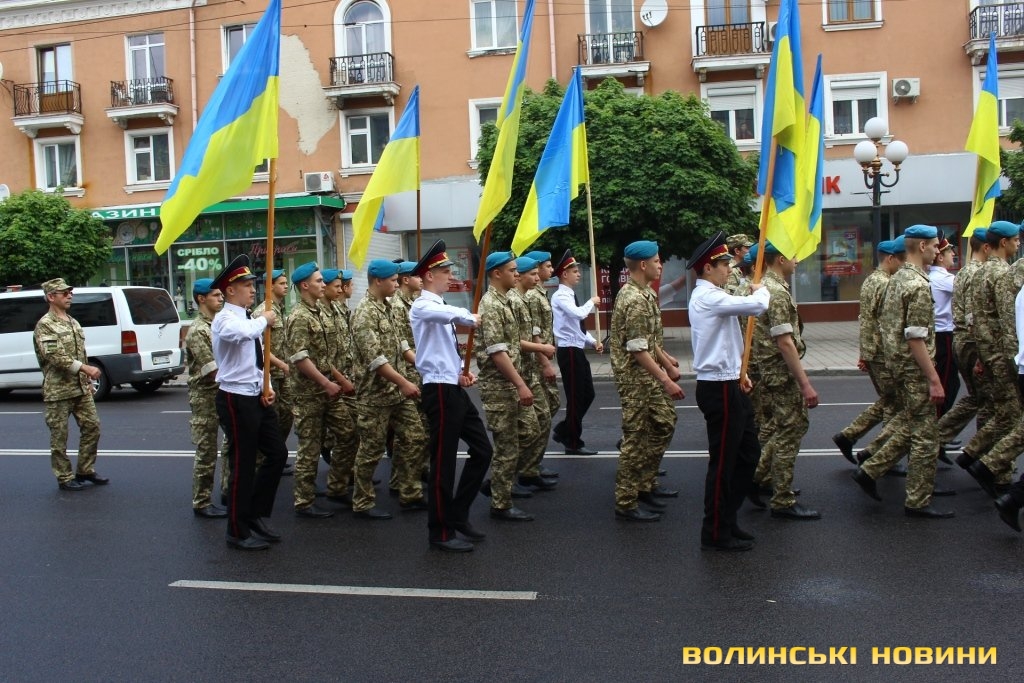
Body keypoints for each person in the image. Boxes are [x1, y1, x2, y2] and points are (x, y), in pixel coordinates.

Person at [850, 225, 953, 518]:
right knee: (925, 435)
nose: (938, 251)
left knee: (912, 423)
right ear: (922, 247)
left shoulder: (896, 279)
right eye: (935, 246)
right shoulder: (917, 285)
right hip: (914, 368)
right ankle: (917, 501)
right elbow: (916, 337)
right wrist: (933, 378)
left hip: (897, 364)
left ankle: (871, 469)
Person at [409, 240, 494, 552]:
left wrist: (460, 370)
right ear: (429, 276)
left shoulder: (440, 307)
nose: (451, 276)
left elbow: (442, 349)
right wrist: (469, 316)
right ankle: (440, 531)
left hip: (452, 385)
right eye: (445, 271)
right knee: (443, 463)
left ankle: (458, 513)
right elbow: (450, 317)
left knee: (483, 450)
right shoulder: (423, 305)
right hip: (439, 391)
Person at [687, 232, 770, 551]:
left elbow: (728, 341)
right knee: (723, 463)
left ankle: (729, 518)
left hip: (730, 382)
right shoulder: (707, 296)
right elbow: (756, 306)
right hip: (717, 388)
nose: (728, 269)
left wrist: (740, 373)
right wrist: (761, 289)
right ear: (708, 268)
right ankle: (715, 531)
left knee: (748, 455)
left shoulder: (715, 294)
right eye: (723, 264)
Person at [210, 254, 288, 550]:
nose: (253, 290)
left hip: (255, 394)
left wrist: (267, 386)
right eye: (247, 285)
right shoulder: (225, 319)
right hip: (235, 398)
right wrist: (264, 319)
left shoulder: (247, 318)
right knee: (242, 464)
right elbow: (243, 335)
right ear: (230, 290)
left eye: (253, 284)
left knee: (278, 453)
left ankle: (254, 513)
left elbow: (257, 360)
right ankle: (237, 530)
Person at [610, 241, 684, 522]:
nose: (660, 265)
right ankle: (626, 501)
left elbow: (649, 341)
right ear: (643, 265)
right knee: (635, 439)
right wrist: (666, 380)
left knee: (664, 422)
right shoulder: (635, 300)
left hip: (647, 376)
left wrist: (667, 360)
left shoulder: (646, 294)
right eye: (656, 261)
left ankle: (645, 482)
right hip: (635, 380)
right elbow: (638, 349)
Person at [349, 259, 427, 519]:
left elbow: (401, 344)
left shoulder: (389, 306)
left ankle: (409, 492)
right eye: (393, 280)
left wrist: (422, 365)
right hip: (375, 394)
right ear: (378, 281)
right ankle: (362, 502)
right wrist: (404, 382)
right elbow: (375, 359)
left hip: (397, 391)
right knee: (371, 450)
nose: (397, 284)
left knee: (415, 437)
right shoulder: (364, 313)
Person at [748, 241, 820, 520]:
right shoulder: (775, 292)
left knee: (785, 429)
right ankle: (782, 499)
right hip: (781, 372)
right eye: (793, 256)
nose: (797, 261)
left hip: (774, 370)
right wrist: (805, 384)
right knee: (790, 431)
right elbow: (785, 342)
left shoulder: (770, 287)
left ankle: (757, 478)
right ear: (780, 259)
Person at [285, 263, 356, 519]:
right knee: (310, 448)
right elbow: (299, 358)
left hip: (329, 391)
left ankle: (337, 487)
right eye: (318, 281)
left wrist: (339, 380)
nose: (323, 285)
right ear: (305, 286)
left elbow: (327, 357)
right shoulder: (299, 316)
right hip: (309, 395)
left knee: (349, 434)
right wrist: (326, 383)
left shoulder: (321, 313)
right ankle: (304, 502)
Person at [476, 251, 542, 521]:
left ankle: (497, 482)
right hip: (499, 386)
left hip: (511, 383)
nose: (517, 274)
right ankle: (501, 504)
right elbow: (497, 352)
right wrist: (521, 384)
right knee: (506, 445)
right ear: (496, 273)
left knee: (531, 430)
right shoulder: (491, 304)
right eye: (512, 270)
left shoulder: (505, 301)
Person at [958, 221, 1022, 493]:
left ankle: (974, 455)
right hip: (1001, 352)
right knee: (1010, 414)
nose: (1018, 244)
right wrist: (1014, 356)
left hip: (985, 349)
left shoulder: (980, 271)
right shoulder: (1002, 272)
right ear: (1003, 243)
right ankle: (993, 470)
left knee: (1003, 410)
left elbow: (973, 316)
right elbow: (1008, 319)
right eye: (1015, 240)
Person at [833, 240, 904, 464]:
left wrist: (864, 351)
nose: (903, 265)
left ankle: (852, 437)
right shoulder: (885, 283)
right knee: (897, 402)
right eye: (901, 260)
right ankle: (879, 454)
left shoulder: (871, 280)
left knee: (891, 400)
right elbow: (886, 323)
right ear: (890, 258)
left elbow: (866, 319)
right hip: (883, 351)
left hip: (873, 349)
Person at [33, 277, 107, 492]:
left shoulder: (72, 321)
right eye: (64, 293)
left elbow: (80, 352)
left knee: (92, 427)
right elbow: (55, 356)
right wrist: (85, 369)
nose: (70, 296)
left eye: (70, 292)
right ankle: (64, 478)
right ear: (51, 297)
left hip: (80, 388)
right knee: (60, 437)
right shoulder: (45, 325)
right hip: (58, 391)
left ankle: (85, 470)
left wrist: (86, 380)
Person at [939, 229, 993, 456]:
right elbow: (976, 315)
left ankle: (935, 437)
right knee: (987, 399)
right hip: (971, 341)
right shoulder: (978, 273)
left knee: (977, 397)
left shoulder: (964, 273)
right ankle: (982, 454)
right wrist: (982, 351)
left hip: (961, 339)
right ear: (987, 247)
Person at [510, 256, 558, 492]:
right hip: (521, 370)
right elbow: (513, 341)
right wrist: (543, 356)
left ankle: (529, 468)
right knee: (526, 427)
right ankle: (514, 475)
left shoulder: (525, 297)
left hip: (531, 366)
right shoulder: (516, 300)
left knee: (544, 417)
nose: (538, 277)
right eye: (534, 273)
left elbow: (534, 330)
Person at [551, 249, 603, 455]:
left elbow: (576, 327)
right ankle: (572, 441)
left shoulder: (570, 294)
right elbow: (579, 314)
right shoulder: (560, 296)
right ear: (564, 274)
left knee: (588, 394)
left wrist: (592, 341)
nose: (579, 274)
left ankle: (564, 430)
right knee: (576, 397)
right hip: (569, 351)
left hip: (577, 349)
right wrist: (592, 302)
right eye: (575, 271)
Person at [184, 278, 227, 517]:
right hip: (206, 396)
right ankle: (201, 502)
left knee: (231, 444)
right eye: (216, 295)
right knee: (207, 450)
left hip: (224, 392)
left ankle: (227, 490)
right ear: (202, 299)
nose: (221, 298)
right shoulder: (198, 330)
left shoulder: (218, 324)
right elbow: (212, 370)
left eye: (221, 295)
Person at [388, 260, 430, 502]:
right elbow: (402, 345)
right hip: (408, 373)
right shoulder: (396, 306)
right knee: (410, 433)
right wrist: (421, 366)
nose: (422, 280)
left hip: (418, 370)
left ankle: (410, 474)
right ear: (406, 279)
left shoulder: (413, 302)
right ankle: (401, 481)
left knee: (420, 429)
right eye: (418, 276)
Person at [318, 268, 361, 505]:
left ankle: (342, 477)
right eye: (337, 285)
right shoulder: (318, 313)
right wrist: (341, 380)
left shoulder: (337, 310)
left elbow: (344, 346)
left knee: (351, 431)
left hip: (343, 377)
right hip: (327, 383)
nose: (342, 289)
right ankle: (307, 497)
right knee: (316, 441)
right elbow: (322, 356)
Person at [523, 250, 561, 480]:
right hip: (537, 361)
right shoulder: (532, 296)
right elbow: (533, 332)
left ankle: (531, 463)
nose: (551, 270)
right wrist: (545, 363)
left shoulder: (539, 293)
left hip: (541, 357)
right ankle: (528, 466)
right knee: (540, 415)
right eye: (547, 266)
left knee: (548, 409)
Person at [266, 268, 294, 476]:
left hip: (283, 376)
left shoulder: (280, 309)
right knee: (272, 421)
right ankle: (269, 459)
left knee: (286, 417)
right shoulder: (263, 312)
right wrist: (282, 364)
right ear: (270, 286)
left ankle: (278, 455)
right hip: (271, 375)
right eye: (282, 283)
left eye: (286, 283)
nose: (286, 287)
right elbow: (260, 348)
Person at [930, 237, 959, 416]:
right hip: (945, 335)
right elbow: (965, 291)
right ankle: (939, 425)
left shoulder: (929, 276)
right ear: (940, 257)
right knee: (947, 383)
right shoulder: (944, 278)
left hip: (936, 334)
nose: (953, 254)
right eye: (949, 251)